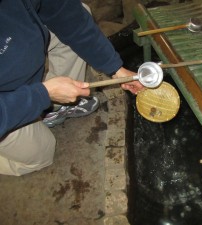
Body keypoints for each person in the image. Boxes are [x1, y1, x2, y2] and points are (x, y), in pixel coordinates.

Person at [0, 0, 144, 176]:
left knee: (80, 14)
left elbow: (65, 13)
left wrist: (115, 68)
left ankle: (53, 107)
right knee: (42, 154)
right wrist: (42, 95)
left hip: (16, 54)